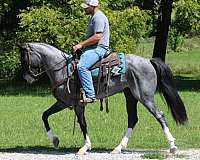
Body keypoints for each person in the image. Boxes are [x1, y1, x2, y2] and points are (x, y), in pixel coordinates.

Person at [73, 0, 110, 103]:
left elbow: (98, 36)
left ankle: (90, 95)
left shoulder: (98, 17)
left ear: (93, 6)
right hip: (92, 48)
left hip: (99, 48)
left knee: (82, 67)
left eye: (86, 7)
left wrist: (81, 44)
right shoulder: (93, 17)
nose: (84, 8)